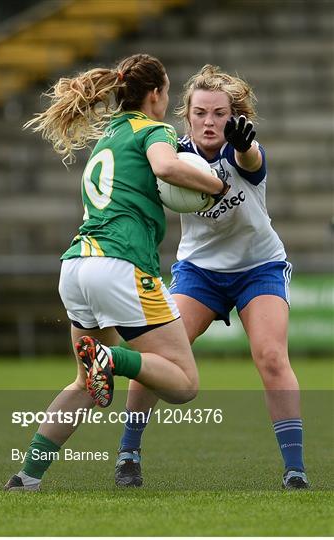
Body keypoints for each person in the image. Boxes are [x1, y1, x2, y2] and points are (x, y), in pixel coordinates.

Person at [4, 55, 228, 491]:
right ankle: (114, 359)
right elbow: (165, 167)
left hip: (76, 267)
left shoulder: (110, 136)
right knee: (183, 384)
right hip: (120, 265)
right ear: (156, 94)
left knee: (85, 383)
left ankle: (26, 477)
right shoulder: (153, 130)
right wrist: (216, 185)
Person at [114, 65, 309, 490]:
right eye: (200, 112)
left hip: (259, 268)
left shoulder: (245, 148)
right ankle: (128, 453)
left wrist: (245, 148)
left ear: (232, 115)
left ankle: (295, 470)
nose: (209, 122)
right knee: (160, 354)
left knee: (272, 358)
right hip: (199, 273)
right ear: (186, 115)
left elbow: (251, 161)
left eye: (219, 113)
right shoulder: (173, 155)